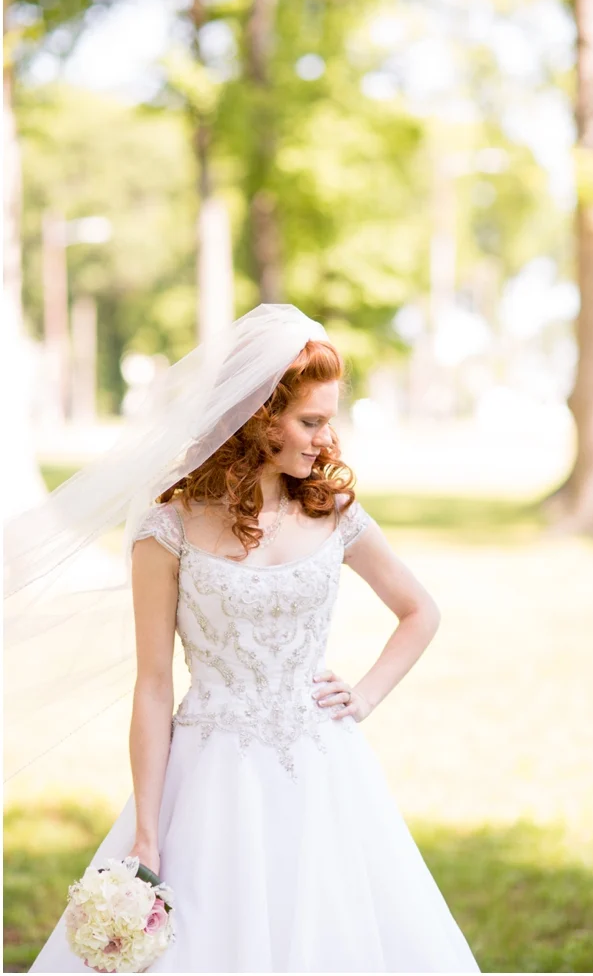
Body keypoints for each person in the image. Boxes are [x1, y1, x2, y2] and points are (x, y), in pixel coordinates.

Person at [9, 305, 477, 971]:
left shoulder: (334, 513)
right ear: (261, 417)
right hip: (210, 776)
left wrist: (366, 695)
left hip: (323, 768)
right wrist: (146, 833)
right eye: (311, 421)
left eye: (329, 421)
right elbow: (152, 683)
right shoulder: (165, 528)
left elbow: (419, 610)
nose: (326, 440)